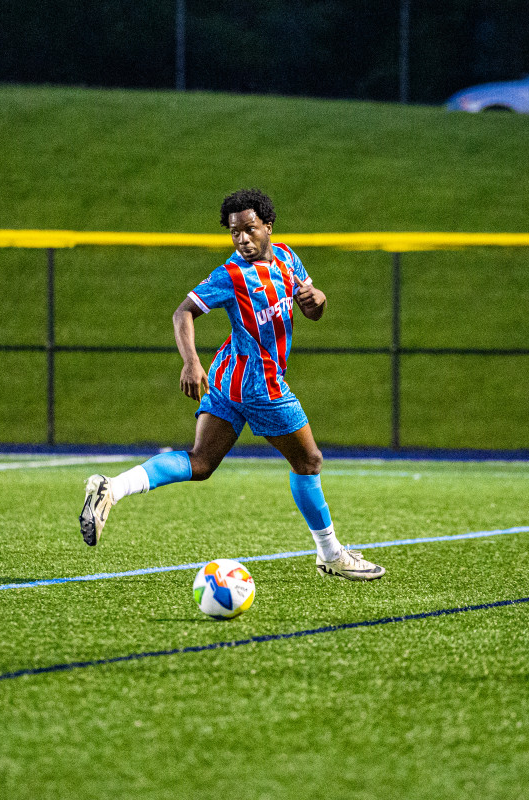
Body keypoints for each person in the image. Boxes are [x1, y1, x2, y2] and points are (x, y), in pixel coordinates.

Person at [79, 188, 385, 581]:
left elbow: (313, 310)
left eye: (249, 229)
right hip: (261, 386)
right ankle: (331, 554)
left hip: (228, 378)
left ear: (267, 227)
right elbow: (183, 312)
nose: (242, 238)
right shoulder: (231, 274)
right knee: (308, 462)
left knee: (201, 462)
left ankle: (112, 488)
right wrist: (191, 361)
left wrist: (318, 298)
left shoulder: (289, 258)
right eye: (234, 232)